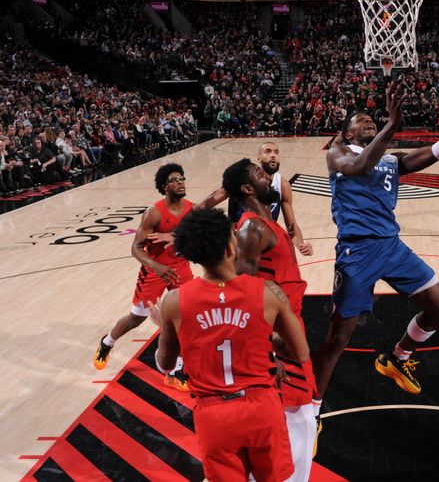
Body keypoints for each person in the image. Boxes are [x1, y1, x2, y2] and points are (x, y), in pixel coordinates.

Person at [312, 83, 439, 404]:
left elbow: (438, 151)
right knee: (338, 338)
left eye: (373, 119)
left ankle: (397, 357)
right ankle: (309, 412)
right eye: (362, 120)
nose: (370, 122)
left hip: (392, 247)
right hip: (357, 252)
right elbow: (360, 167)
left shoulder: (391, 160)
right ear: (348, 134)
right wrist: (391, 124)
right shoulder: (338, 154)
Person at [150, 207, 308, 482]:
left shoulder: (174, 302)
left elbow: (165, 364)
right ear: (229, 248)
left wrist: (167, 327)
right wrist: (260, 335)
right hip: (261, 407)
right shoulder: (268, 292)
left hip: (214, 416)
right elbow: (301, 352)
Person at [221, 158, 318, 482]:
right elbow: (239, 293)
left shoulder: (266, 224)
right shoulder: (252, 228)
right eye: (261, 175)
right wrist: (265, 350)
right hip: (275, 341)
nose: (270, 178)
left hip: (287, 332)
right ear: (248, 188)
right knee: (294, 421)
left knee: (299, 420)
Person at [93, 163, 195, 392]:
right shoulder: (154, 213)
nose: (180, 182)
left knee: (188, 315)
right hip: (154, 270)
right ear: (164, 186)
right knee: (136, 318)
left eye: (182, 178)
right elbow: (136, 248)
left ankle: (177, 370)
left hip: (181, 268)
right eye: (174, 179)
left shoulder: (192, 209)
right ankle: (107, 342)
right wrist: (155, 265)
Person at [199, 141, 312, 256]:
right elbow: (209, 201)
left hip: (265, 245)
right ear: (258, 158)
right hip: (239, 244)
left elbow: (291, 225)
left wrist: (301, 245)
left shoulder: (283, 185)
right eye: (268, 151)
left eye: (276, 152)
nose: (273, 155)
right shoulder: (243, 178)